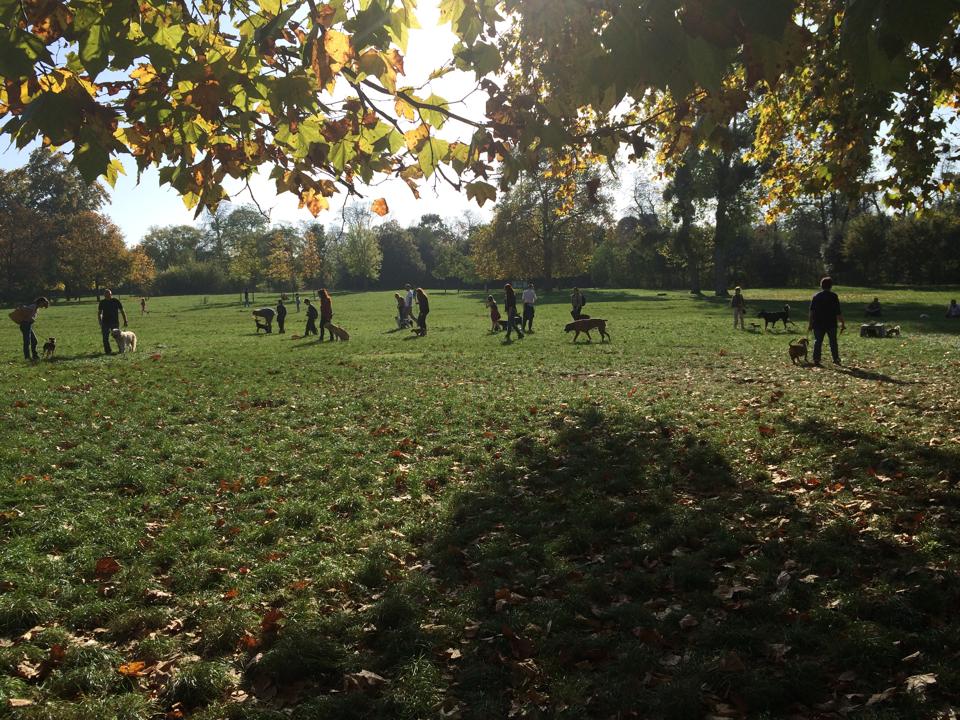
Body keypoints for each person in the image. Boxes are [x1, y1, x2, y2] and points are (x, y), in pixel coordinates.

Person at [808, 277, 845, 367]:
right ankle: (835, 358)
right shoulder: (834, 296)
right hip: (831, 323)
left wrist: (810, 324)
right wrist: (842, 323)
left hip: (818, 323)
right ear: (831, 286)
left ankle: (816, 359)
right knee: (833, 342)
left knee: (818, 341)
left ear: (821, 285)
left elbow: (811, 312)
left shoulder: (816, 296)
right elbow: (838, 312)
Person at [10, 296, 49, 361]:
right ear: (40, 302)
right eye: (43, 304)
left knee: (34, 341)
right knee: (27, 342)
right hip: (25, 325)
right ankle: (27, 357)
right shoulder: (33, 306)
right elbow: (23, 310)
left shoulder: (36, 308)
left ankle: (35, 356)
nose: (43, 305)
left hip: (28, 325)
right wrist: (30, 318)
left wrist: (31, 320)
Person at [98, 289, 128, 355]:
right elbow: (100, 313)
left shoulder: (116, 301)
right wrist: (100, 321)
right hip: (105, 322)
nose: (107, 296)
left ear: (111, 294)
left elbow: (122, 311)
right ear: (104, 295)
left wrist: (125, 320)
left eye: (109, 294)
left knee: (118, 337)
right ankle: (108, 351)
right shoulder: (102, 302)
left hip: (114, 322)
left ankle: (121, 350)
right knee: (105, 338)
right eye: (106, 295)